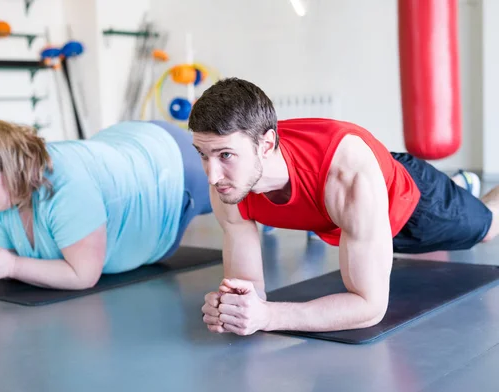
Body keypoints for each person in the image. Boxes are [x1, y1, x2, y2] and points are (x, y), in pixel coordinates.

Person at [189, 77, 499, 336]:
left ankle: (460, 191)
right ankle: (460, 187)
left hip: (412, 204)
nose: (212, 175)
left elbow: (370, 307)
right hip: (350, 213)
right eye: (203, 154)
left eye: (225, 155)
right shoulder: (228, 185)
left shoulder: (346, 177)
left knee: (488, 227)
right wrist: (231, 308)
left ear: (266, 145)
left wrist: (268, 317)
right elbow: (249, 289)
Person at [0, 119, 211, 290]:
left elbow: (83, 275)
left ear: (13, 168)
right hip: (122, 146)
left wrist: (13, 266)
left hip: (171, 164)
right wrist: (3, 264)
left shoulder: (68, 186)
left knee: (239, 198)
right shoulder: (2, 196)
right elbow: (6, 258)